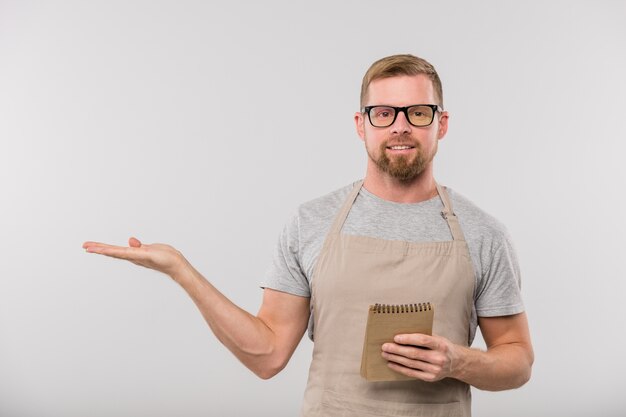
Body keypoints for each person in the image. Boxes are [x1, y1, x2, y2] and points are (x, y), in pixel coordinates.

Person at [83, 54, 533, 417]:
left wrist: (457, 361)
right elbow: (267, 355)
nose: (400, 125)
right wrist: (182, 271)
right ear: (362, 125)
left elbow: (517, 361)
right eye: (383, 113)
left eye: (418, 112)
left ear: (442, 124)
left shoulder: (483, 233)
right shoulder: (311, 222)